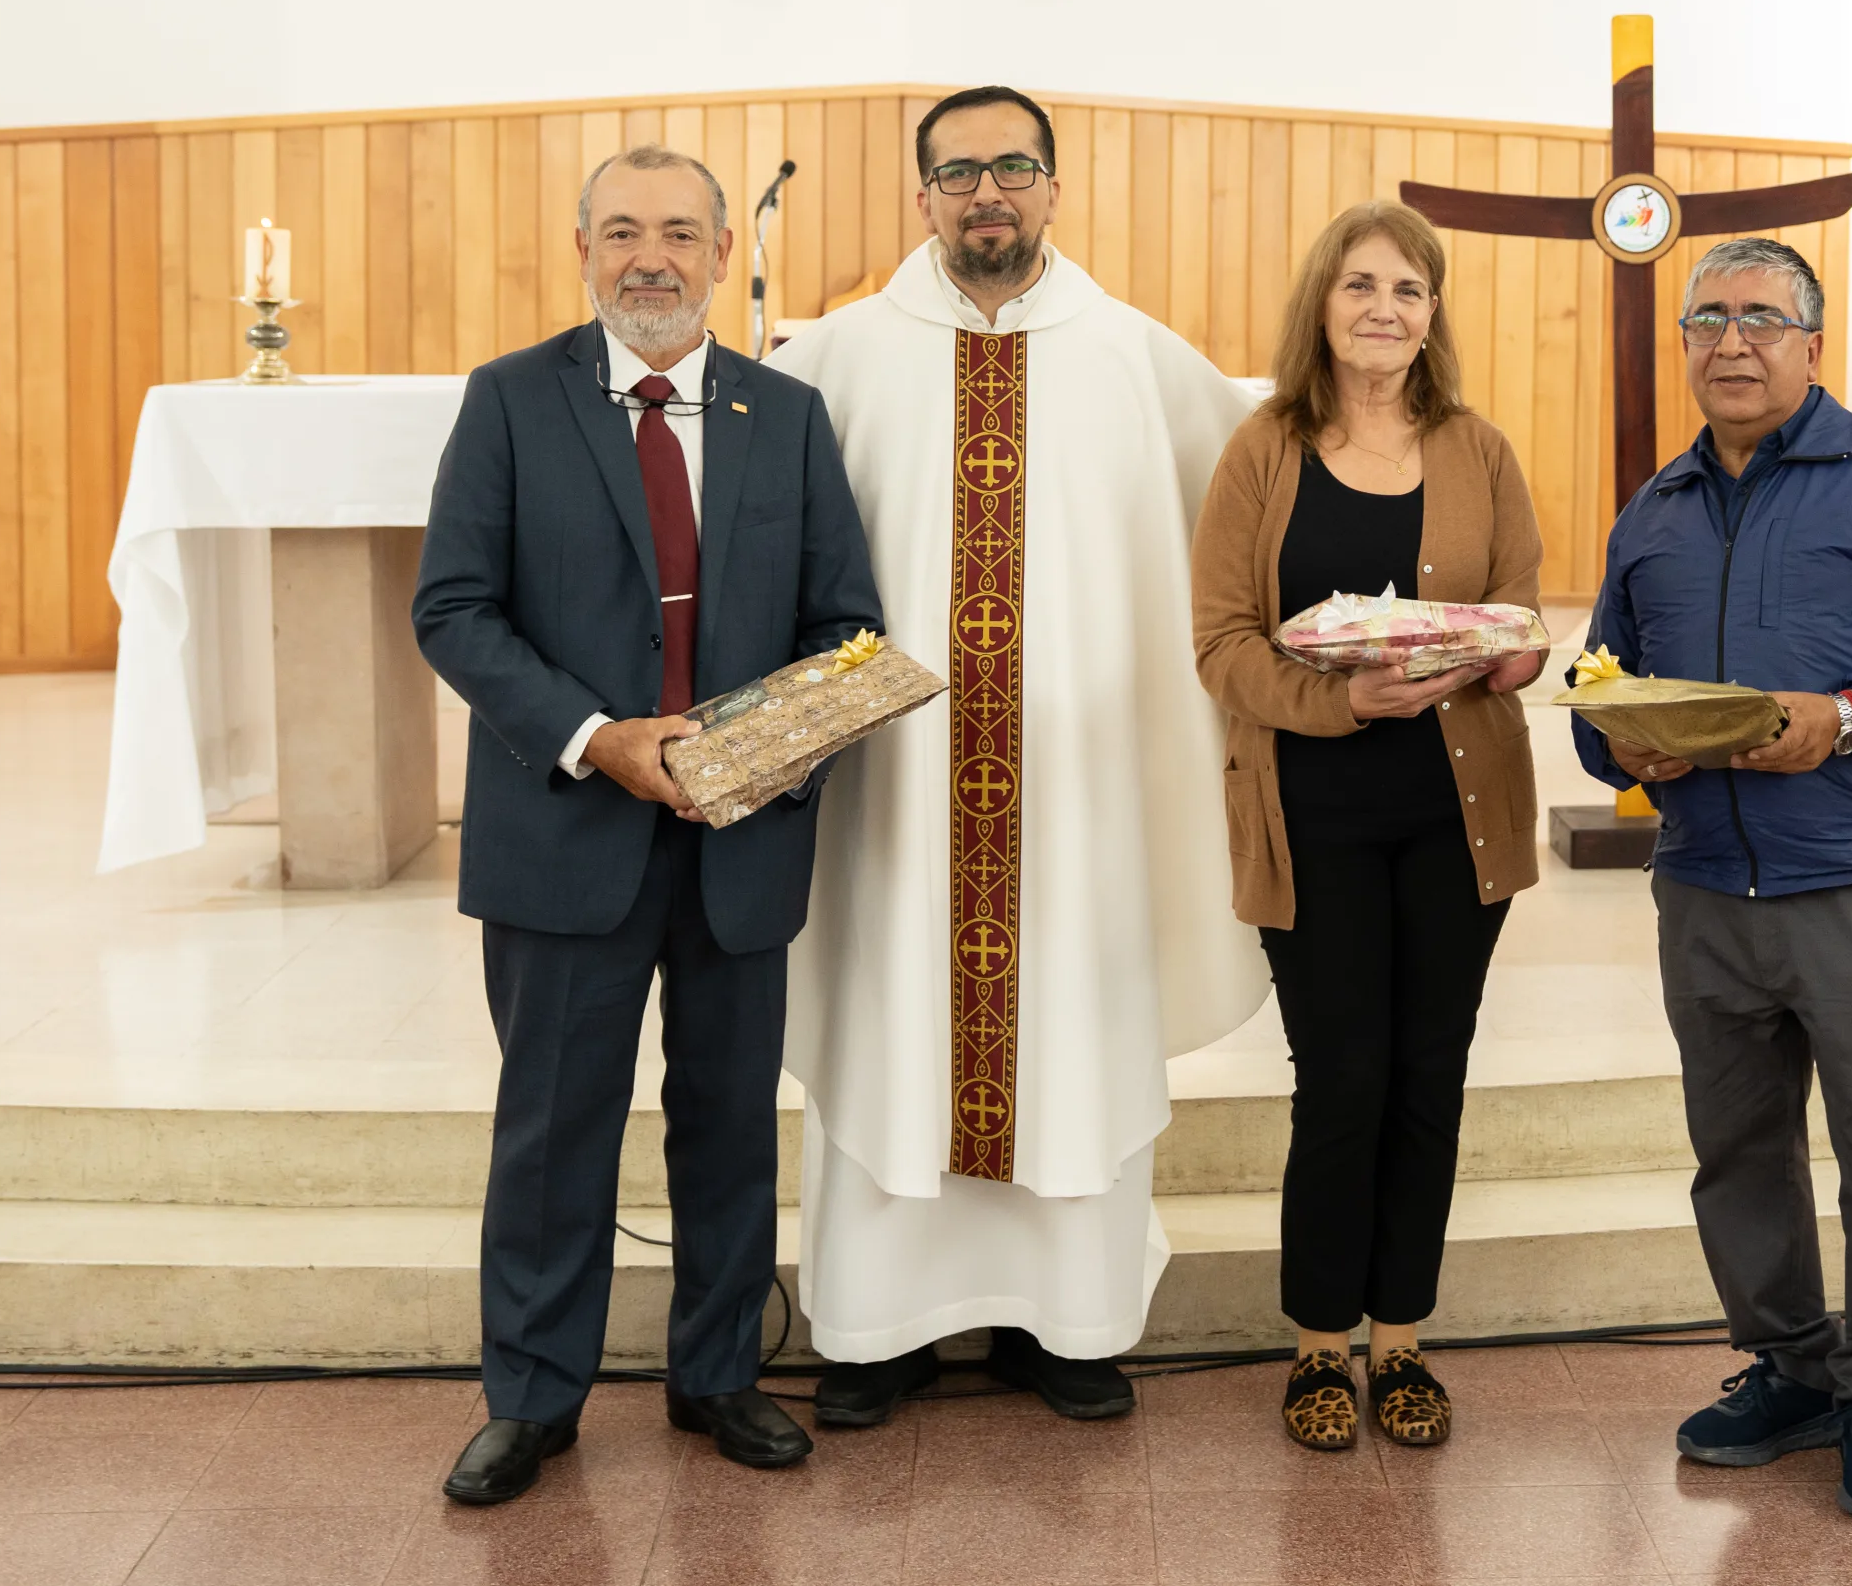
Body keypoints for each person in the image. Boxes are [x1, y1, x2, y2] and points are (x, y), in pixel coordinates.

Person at [767, 86, 1265, 1425]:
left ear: (1057, 185)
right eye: (959, 171)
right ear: (919, 196)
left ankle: (1075, 1321)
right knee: (890, 1020)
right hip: (892, 797)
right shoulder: (835, 358)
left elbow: (1258, 523)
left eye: (1014, 167)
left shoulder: (1142, 359)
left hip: (1084, 796)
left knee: (1075, 1020)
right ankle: (873, 1328)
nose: (988, 192)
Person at [413, 145, 883, 1503]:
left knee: (727, 1121)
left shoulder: (784, 415)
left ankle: (718, 1372)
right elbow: (453, 606)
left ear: (723, 252)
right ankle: (533, 1396)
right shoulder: (509, 402)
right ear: (581, 251)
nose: (651, 257)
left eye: (680, 231)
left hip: (740, 836)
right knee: (556, 1127)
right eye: (622, 231)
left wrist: (754, 762)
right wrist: (598, 738)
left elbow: (844, 628)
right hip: (566, 827)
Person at [1573, 238, 1852, 1521]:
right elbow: (1601, 680)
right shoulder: (1652, 509)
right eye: (1705, 320)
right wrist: (1617, 744)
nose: (1731, 342)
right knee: (1737, 1152)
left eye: (1762, 317)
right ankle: (1792, 1365)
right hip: (1706, 880)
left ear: (1811, 342)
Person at [1192, 202, 1544, 1452]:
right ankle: (1315, 1346)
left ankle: (1401, 1339)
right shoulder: (1264, 451)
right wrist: (1342, 701)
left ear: (1432, 312)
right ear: (1322, 306)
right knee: (1339, 1081)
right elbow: (1221, 646)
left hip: (1459, 819)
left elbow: (1518, 607)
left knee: (1426, 1079)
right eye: (1360, 286)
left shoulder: (1479, 450)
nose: (1384, 308)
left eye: (1408, 288)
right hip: (1317, 813)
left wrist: (1509, 656)